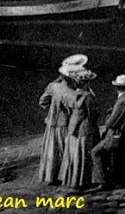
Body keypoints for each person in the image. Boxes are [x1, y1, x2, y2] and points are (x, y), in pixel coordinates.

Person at [38, 54, 83, 184]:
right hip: (63, 124)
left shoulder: (53, 86)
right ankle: (62, 176)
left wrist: (52, 105)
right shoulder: (69, 92)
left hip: (51, 122)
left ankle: (49, 176)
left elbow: (43, 101)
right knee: (63, 150)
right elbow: (75, 108)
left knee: (51, 150)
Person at [94, 74, 125, 189]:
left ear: (116, 87)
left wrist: (109, 113)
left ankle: (103, 180)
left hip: (120, 135)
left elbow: (110, 123)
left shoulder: (121, 102)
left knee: (96, 152)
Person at [60, 67, 101, 191]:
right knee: (85, 153)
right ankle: (84, 181)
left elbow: (67, 108)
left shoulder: (70, 95)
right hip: (86, 128)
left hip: (73, 126)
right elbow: (93, 114)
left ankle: (72, 180)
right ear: (87, 83)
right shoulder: (88, 97)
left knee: (74, 153)